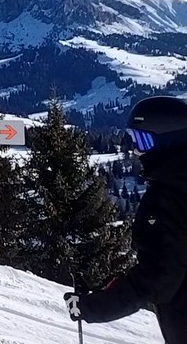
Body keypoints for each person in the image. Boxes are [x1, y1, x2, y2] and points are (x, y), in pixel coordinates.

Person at [65, 96, 187, 343]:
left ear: (169, 141)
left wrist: (92, 307)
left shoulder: (167, 198)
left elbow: (157, 278)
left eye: (142, 140)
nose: (134, 149)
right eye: (132, 138)